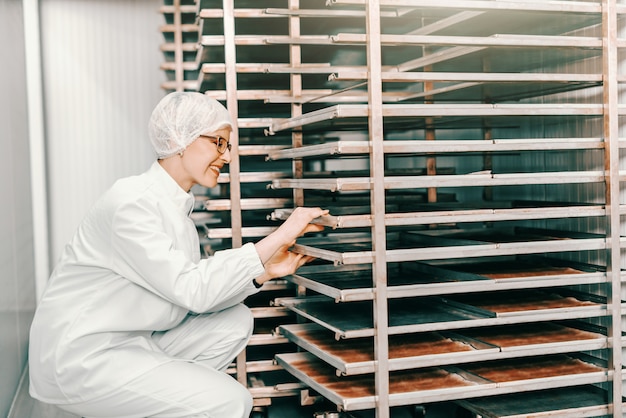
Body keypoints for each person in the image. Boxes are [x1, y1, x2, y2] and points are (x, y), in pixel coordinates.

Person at [28, 92, 327, 418]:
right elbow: (193, 290)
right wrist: (283, 233)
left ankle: (161, 404)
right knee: (229, 401)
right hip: (82, 357)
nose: (226, 157)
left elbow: (190, 290)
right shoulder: (132, 204)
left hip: (128, 342)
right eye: (219, 143)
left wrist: (264, 272)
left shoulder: (173, 210)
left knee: (234, 321)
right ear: (178, 138)